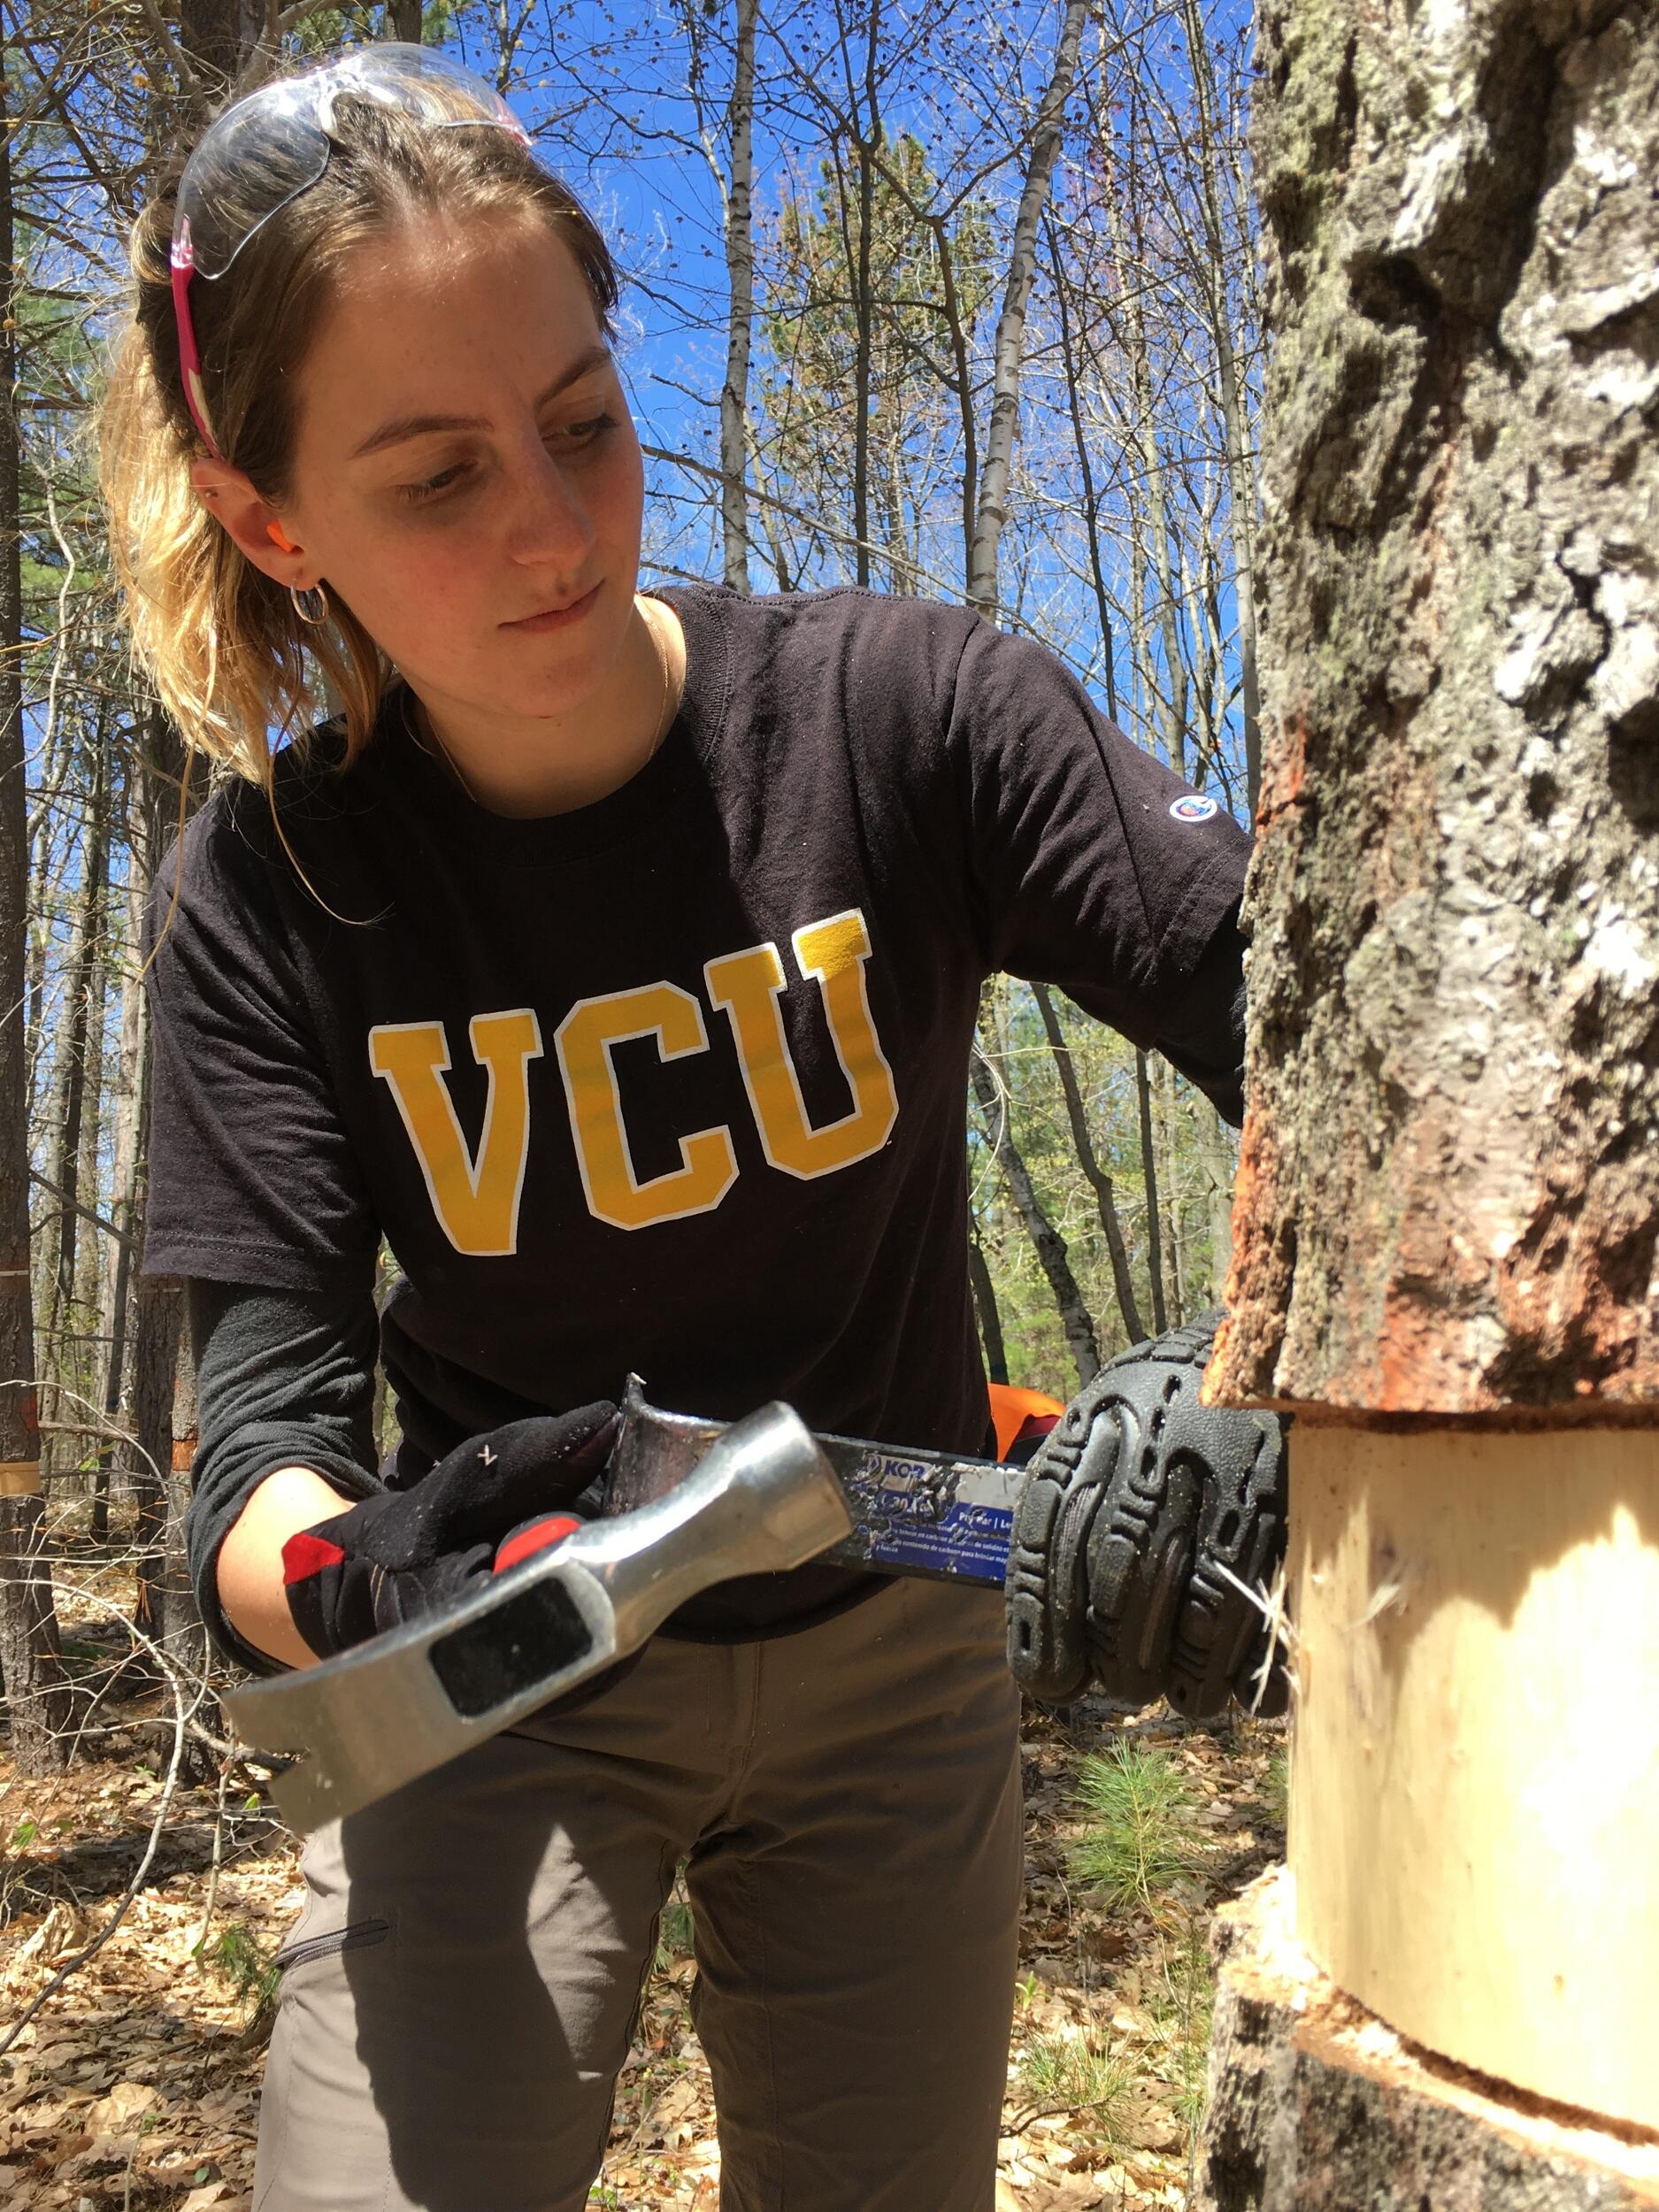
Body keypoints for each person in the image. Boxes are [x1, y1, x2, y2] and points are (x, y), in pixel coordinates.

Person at [96, 44, 1253, 2212]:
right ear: (274, 517)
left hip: (901, 1612)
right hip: (497, 1675)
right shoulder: (266, 901)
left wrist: (1267, 1396)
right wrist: (378, 1573)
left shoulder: (902, 715)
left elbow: (1309, 1036)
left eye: (582, 422)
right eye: (432, 477)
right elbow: (251, 1462)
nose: (549, 523)